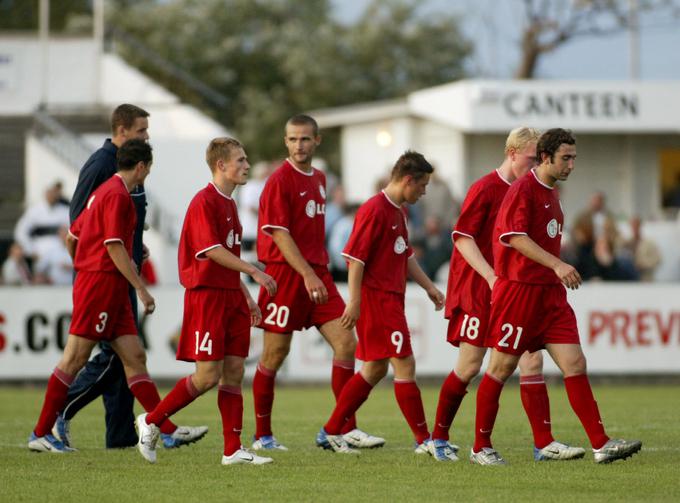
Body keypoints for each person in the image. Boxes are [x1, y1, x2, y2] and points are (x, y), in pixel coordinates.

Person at [470, 128, 642, 465]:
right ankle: (480, 447)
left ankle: (601, 443)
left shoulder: (551, 192)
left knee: (575, 363)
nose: (572, 164)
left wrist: (555, 270)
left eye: (574, 157)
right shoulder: (523, 190)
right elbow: (514, 237)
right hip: (518, 292)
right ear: (546, 157)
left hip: (550, 296)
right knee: (501, 368)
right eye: (566, 158)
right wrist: (558, 264)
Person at [50, 104, 206, 450]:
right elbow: (81, 224)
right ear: (121, 132)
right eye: (140, 130)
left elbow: (119, 226)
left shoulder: (127, 170)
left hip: (121, 272)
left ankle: (127, 435)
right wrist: (91, 268)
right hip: (104, 278)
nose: (146, 136)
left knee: (131, 358)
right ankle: (57, 413)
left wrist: (138, 247)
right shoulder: (103, 166)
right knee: (108, 360)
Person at [431, 127, 585, 462]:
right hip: (477, 286)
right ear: (512, 153)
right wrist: (490, 277)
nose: (535, 165)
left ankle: (543, 442)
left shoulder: (535, 189)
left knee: (532, 358)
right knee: (471, 364)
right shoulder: (486, 188)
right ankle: (439, 437)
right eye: (530, 158)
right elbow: (462, 238)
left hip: (513, 287)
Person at [135, 138, 277, 465]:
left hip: (230, 297)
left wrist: (245, 295)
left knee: (234, 371)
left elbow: (227, 258)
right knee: (207, 377)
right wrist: (254, 273)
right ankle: (152, 420)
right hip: (207, 298)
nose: (246, 165)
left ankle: (232, 450)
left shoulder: (230, 204)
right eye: (240, 160)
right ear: (221, 166)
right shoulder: (205, 202)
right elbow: (211, 251)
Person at [251, 114, 383, 451]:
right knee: (275, 354)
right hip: (285, 275)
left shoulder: (321, 178)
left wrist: (315, 271)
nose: (299, 145)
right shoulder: (279, 181)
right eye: (293, 139)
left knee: (346, 342)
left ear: (317, 141)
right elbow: (279, 234)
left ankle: (340, 428)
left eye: (305, 139)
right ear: (285, 142)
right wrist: (306, 273)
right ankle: (262, 436)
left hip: (317, 272)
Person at [316, 151, 446, 456]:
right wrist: (355, 302)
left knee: (374, 369)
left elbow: (405, 254)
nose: (424, 191)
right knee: (405, 364)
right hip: (378, 301)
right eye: (422, 185)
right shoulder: (374, 210)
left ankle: (331, 430)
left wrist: (429, 287)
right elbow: (355, 260)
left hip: (390, 299)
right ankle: (423, 440)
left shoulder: (397, 211)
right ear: (407, 180)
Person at [14, 181, 70, 265]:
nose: (52, 195)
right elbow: (20, 231)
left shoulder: (65, 211)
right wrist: (30, 250)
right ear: (45, 193)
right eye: (50, 192)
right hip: (40, 252)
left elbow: (72, 232)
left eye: (55, 192)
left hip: (61, 255)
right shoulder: (34, 211)